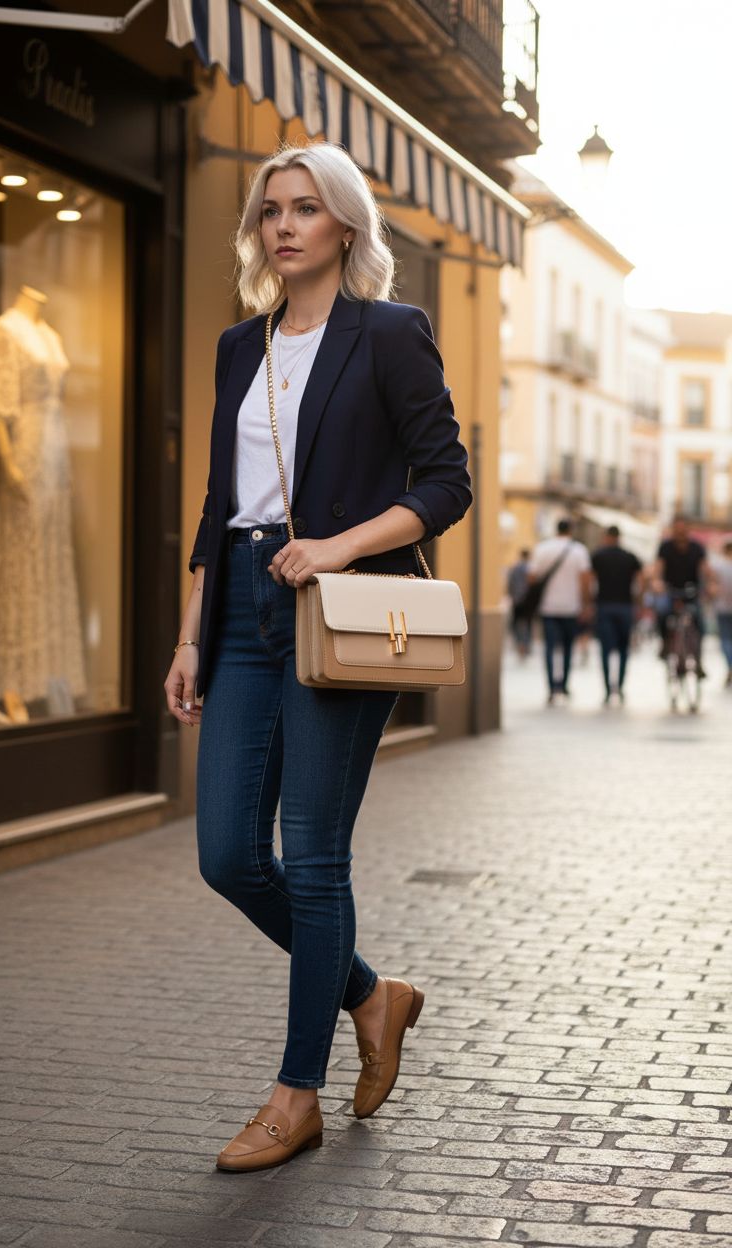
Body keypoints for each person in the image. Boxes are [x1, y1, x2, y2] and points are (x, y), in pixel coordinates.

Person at [163, 141, 472, 1173]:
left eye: (304, 208)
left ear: (344, 225)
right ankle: (371, 995)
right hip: (242, 603)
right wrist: (188, 632)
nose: (282, 226)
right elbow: (217, 504)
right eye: (269, 211)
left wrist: (338, 544)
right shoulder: (236, 348)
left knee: (316, 854)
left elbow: (445, 482)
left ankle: (295, 1095)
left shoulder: (388, 334)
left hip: (336, 605)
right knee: (227, 857)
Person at [528, 518, 593, 704]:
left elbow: (531, 578)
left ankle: (550, 688)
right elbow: (585, 580)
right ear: (571, 529)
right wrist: (586, 604)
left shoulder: (542, 549)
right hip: (571, 607)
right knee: (567, 648)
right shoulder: (579, 551)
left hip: (548, 607)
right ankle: (563, 685)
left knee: (549, 648)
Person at [651, 516, 715, 676]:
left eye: (683, 529)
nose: (680, 532)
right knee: (662, 613)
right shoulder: (665, 547)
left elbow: (705, 569)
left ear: (688, 530)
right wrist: (656, 582)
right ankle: (665, 644)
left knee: (700, 622)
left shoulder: (697, 547)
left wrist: (711, 584)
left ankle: (698, 660)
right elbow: (658, 568)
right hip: (670, 591)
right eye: (677, 529)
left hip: (691, 591)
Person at [591, 525, 642, 704]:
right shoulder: (630, 557)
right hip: (625, 606)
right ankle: (619, 687)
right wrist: (639, 603)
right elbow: (640, 581)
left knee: (605, 650)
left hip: (604, 606)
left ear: (607, 537)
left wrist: (588, 604)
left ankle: (607, 689)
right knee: (623, 650)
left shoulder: (598, 556)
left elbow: (590, 580)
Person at [507, 548, 532, 657]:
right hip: (527, 600)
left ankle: (518, 643)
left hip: (517, 599)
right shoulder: (531, 568)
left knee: (515, 623)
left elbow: (510, 583)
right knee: (527, 623)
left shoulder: (515, 568)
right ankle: (525, 644)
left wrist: (511, 595)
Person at [713, 540, 732, 685]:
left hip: (722, 608)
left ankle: (730, 666)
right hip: (723, 608)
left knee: (725, 640)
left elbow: (712, 588)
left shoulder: (718, 566)